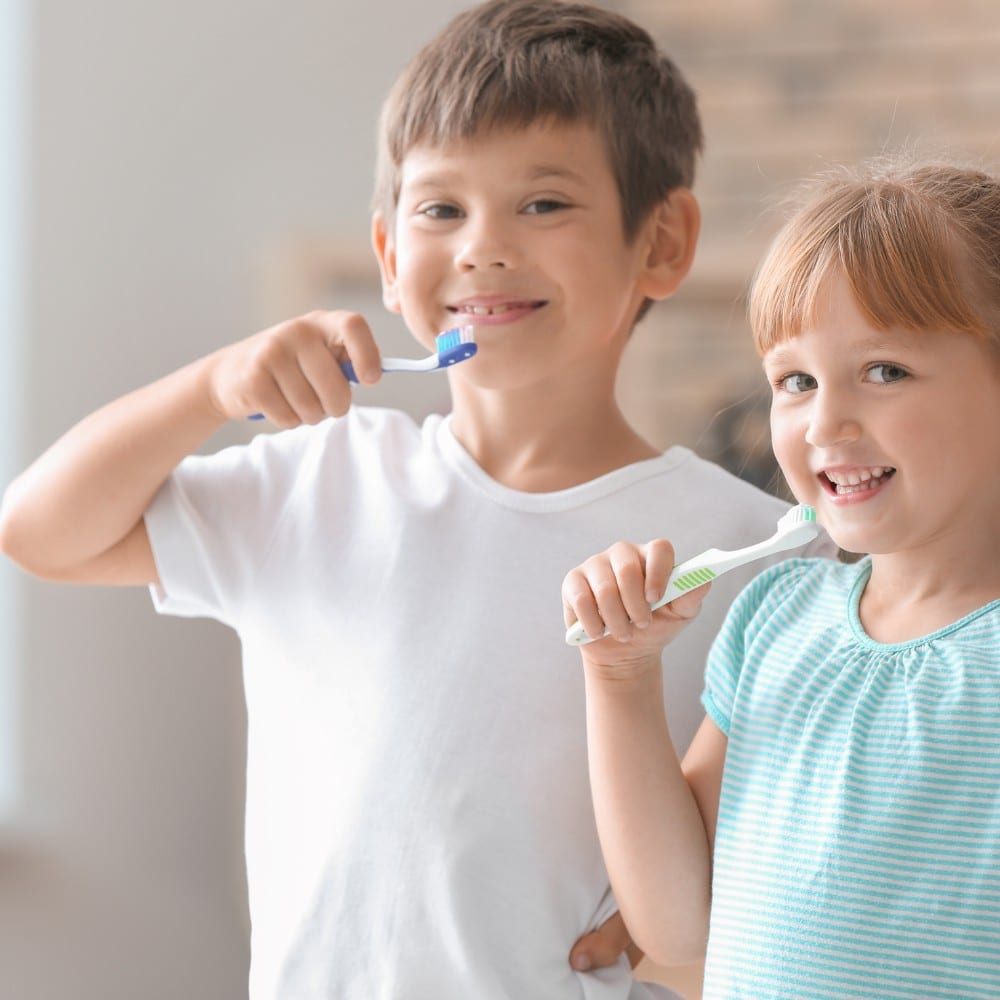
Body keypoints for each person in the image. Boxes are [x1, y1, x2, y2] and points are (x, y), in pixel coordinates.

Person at [0, 2, 828, 996]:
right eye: (442, 210)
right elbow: (41, 531)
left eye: (543, 204)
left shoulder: (748, 552)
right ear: (390, 256)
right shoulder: (319, 481)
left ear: (660, 242)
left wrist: (683, 937)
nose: (482, 247)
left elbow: (770, 880)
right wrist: (212, 387)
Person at [563, 155, 1000, 999]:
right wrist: (619, 679)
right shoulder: (774, 617)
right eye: (795, 381)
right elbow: (679, 923)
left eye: (885, 371)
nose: (825, 421)